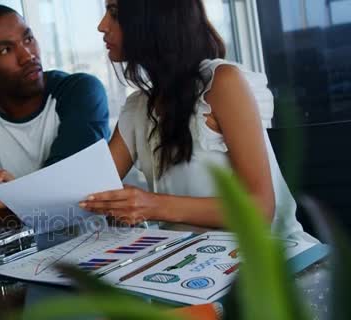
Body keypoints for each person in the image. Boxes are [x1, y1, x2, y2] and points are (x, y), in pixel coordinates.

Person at [80, 0, 314, 241]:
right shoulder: (137, 107)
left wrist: (152, 205)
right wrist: (113, 206)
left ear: (154, 19)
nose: (101, 26)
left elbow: (260, 208)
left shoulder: (222, 84)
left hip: (272, 262)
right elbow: (87, 191)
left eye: (115, 13)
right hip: (195, 265)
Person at [0, 4, 111, 211]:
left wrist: (10, 195)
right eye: (6, 50)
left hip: (92, 237)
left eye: (28, 39)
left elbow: (70, 182)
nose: (28, 56)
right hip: (15, 241)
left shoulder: (79, 91)